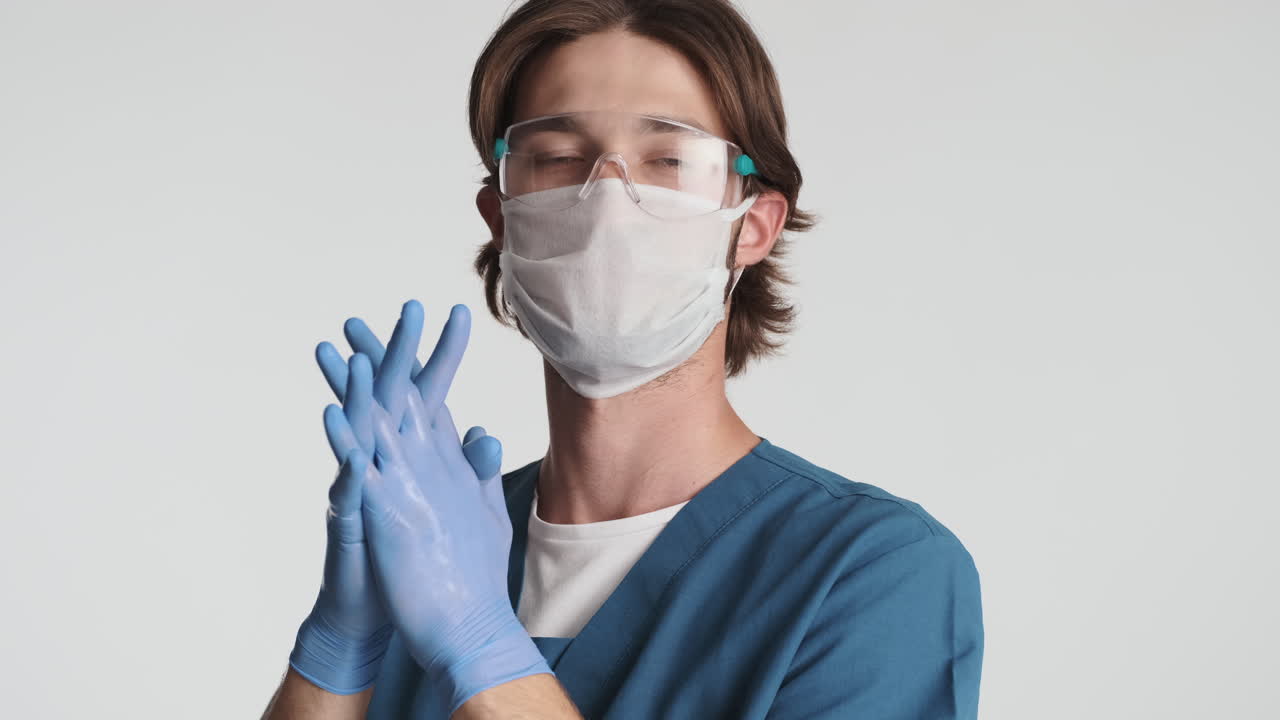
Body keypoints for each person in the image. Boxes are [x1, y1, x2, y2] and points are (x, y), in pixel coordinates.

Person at [262, 1, 984, 718]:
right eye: (555, 158)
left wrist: (479, 642)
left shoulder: (872, 572)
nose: (607, 199)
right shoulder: (429, 542)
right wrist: (337, 650)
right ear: (501, 217)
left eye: (668, 158)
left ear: (754, 225)